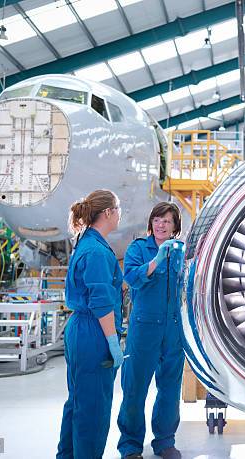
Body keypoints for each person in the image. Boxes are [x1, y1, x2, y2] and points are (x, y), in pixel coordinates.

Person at [57, 189, 124, 459]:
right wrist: (112, 342)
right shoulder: (96, 251)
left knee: (77, 404)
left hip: (80, 330)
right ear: (107, 212)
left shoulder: (86, 243)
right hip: (93, 332)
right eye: (118, 208)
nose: (120, 214)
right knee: (93, 410)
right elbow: (101, 303)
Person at [118, 202, 185, 459]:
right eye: (157, 219)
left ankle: (165, 442)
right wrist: (156, 261)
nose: (161, 225)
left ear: (175, 226)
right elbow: (132, 278)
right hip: (144, 327)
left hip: (173, 328)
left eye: (167, 221)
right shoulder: (138, 248)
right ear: (151, 223)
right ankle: (131, 446)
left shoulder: (180, 251)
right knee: (135, 387)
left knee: (169, 388)